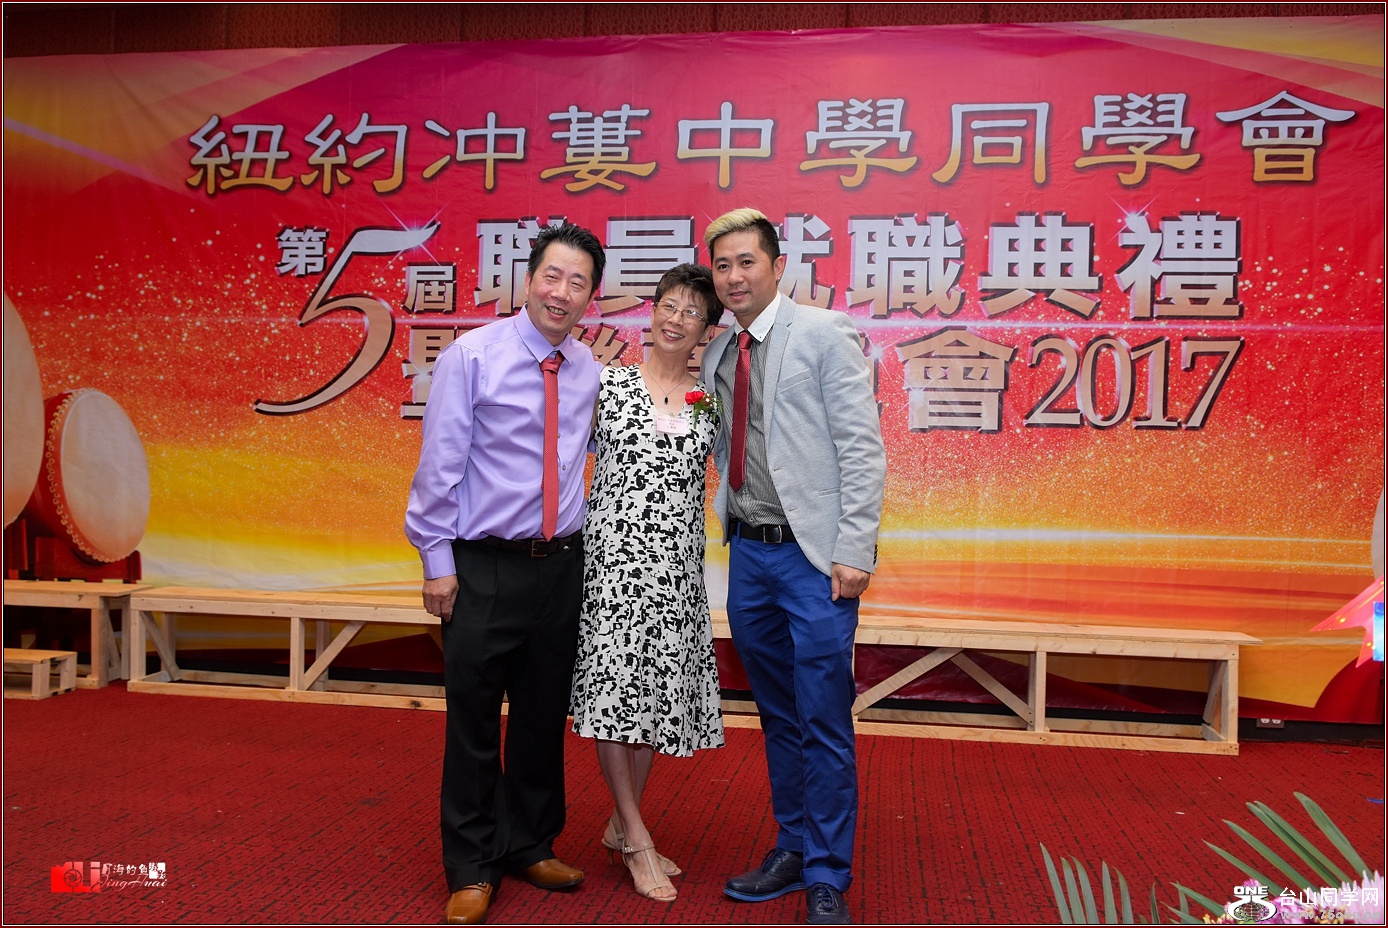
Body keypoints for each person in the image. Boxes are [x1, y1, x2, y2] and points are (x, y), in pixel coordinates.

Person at [404, 223, 606, 926]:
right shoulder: (473, 356)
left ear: (592, 296)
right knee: (474, 722)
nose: (562, 293)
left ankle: (530, 844)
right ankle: (470, 865)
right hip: (482, 566)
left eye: (578, 282)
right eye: (553, 275)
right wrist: (436, 562)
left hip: (561, 567)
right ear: (528, 279)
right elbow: (440, 464)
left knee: (543, 717)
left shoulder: (587, 367)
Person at [699, 209, 886, 926]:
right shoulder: (721, 353)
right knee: (777, 714)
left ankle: (828, 872)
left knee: (823, 716)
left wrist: (855, 549)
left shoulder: (824, 333)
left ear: (777, 266)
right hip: (749, 555)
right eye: (722, 265)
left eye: (746, 261)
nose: (734, 277)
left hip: (814, 561)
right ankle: (793, 846)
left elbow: (861, 448)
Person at [570, 263, 727, 904]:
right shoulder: (608, 386)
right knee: (615, 696)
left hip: (676, 574)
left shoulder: (707, 403)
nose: (675, 319)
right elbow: (559, 460)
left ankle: (621, 821)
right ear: (652, 309)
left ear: (707, 331)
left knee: (653, 700)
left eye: (692, 312)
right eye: (668, 304)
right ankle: (636, 835)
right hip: (612, 567)